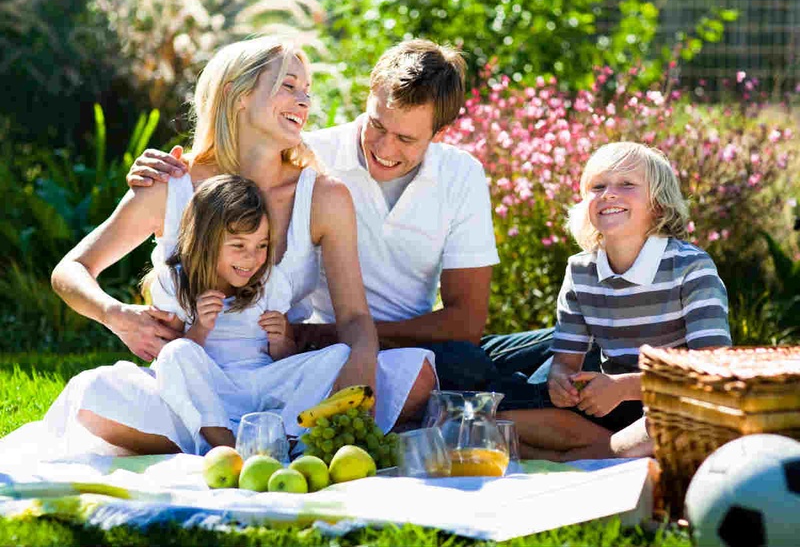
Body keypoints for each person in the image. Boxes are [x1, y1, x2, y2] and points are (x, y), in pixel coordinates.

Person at [49, 36, 435, 455]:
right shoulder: (171, 185)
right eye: (289, 86)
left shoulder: (323, 195)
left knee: (415, 376)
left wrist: (360, 375)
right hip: (190, 384)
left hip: (277, 381)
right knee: (93, 394)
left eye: (306, 91)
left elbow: (356, 318)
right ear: (238, 94)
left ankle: (240, 442)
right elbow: (71, 269)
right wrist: (117, 315)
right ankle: (266, 442)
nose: (304, 101)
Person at [127, 38, 552, 404]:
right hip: (322, 351)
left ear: (438, 133)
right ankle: (533, 407)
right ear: (368, 99)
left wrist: (335, 335)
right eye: (377, 125)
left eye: (406, 139)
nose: (384, 148)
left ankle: (553, 395)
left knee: (560, 345)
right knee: (474, 371)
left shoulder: (460, 174)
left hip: (388, 341)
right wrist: (156, 174)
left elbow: (465, 323)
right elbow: (228, 173)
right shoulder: (306, 156)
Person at [500, 142, 733, 460]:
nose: (609, 194)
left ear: (659, 205)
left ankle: (587, 453)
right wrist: (560, 383)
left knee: (678, 419)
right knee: (503, 412)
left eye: (627, 184)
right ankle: (607, 451)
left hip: (673, 399)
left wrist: (622, 388)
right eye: (598, 186)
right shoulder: (580, 270)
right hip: (608, 403)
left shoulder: (691, 267)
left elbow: (711, 368)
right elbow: (565, 362)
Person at [146, 174, 358, 453]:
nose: (252, 258)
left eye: (261, 245)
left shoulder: (269, 282)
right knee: (175, 353)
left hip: (262, 383)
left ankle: (285, 438)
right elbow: (176, 363)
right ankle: (229, 445)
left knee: (339, 355)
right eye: (238, 246)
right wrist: (200, 328)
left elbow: (284, 359)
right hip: (214, 388)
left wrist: (281, 341)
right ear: (206, 242)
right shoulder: (175, 282)